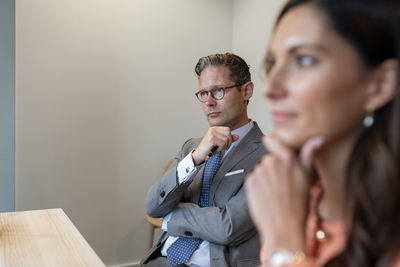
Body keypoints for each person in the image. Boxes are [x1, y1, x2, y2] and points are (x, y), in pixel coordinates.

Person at [245, 0, 400, 266]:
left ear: (381, 83)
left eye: (303, 60)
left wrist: (285, 250)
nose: (269, 88)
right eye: (272, 63)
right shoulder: (293, 195)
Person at [141, 53, 267, 267]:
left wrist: (170, 216)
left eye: (218, 91)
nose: (208, 102)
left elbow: (228, 227)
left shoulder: (269, 155)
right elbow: (153, 207)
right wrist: (195, 158)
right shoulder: (192, 147)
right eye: (203, 93)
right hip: (161, 259)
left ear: (246, 91)